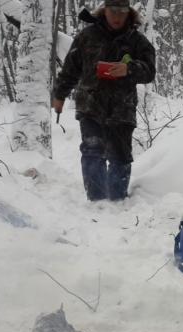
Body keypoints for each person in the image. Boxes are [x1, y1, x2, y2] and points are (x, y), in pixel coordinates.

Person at [52, 0, 156, 201]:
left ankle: (116, 203)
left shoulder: (137, 41)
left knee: (120, 156)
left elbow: (150, 71)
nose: (117, 16)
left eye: (122, 11)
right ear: (104, 11)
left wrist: (129, 69)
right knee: (92, 151)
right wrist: (59, 95)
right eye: (113, 11)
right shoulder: (87, 37)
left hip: (122, 109)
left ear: (129, 13)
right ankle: (97, 202)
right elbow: (70, 69)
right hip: (90, 105)